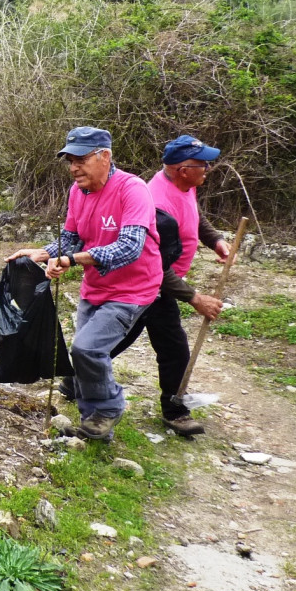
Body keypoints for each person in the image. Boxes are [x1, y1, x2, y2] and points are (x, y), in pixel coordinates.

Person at [6, 127, 163, 441]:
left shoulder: (133, 190)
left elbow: (130, 247)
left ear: (104, 156)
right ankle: (96, 427)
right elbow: (70, 238)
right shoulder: (78, 191)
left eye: (80, 159)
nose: (73, 167)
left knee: (86, 349)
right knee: (84, 354)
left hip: (134, 288)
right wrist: (44, 253)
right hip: (96, 287)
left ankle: (106, 411)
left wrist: (73, 260)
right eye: (69, 160)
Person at [108, 135, 231, 437]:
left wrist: (215, 240)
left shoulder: (183, 186)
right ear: (182, 168)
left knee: (144, 342)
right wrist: (194, 298)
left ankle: (76, 379)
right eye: (202, 164)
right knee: (150, 343)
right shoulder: (157, 204)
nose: (208, 168)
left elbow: (194, 215)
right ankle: (175, 411)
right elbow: (155, 265)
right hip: (146, 283)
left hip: (160, 285)